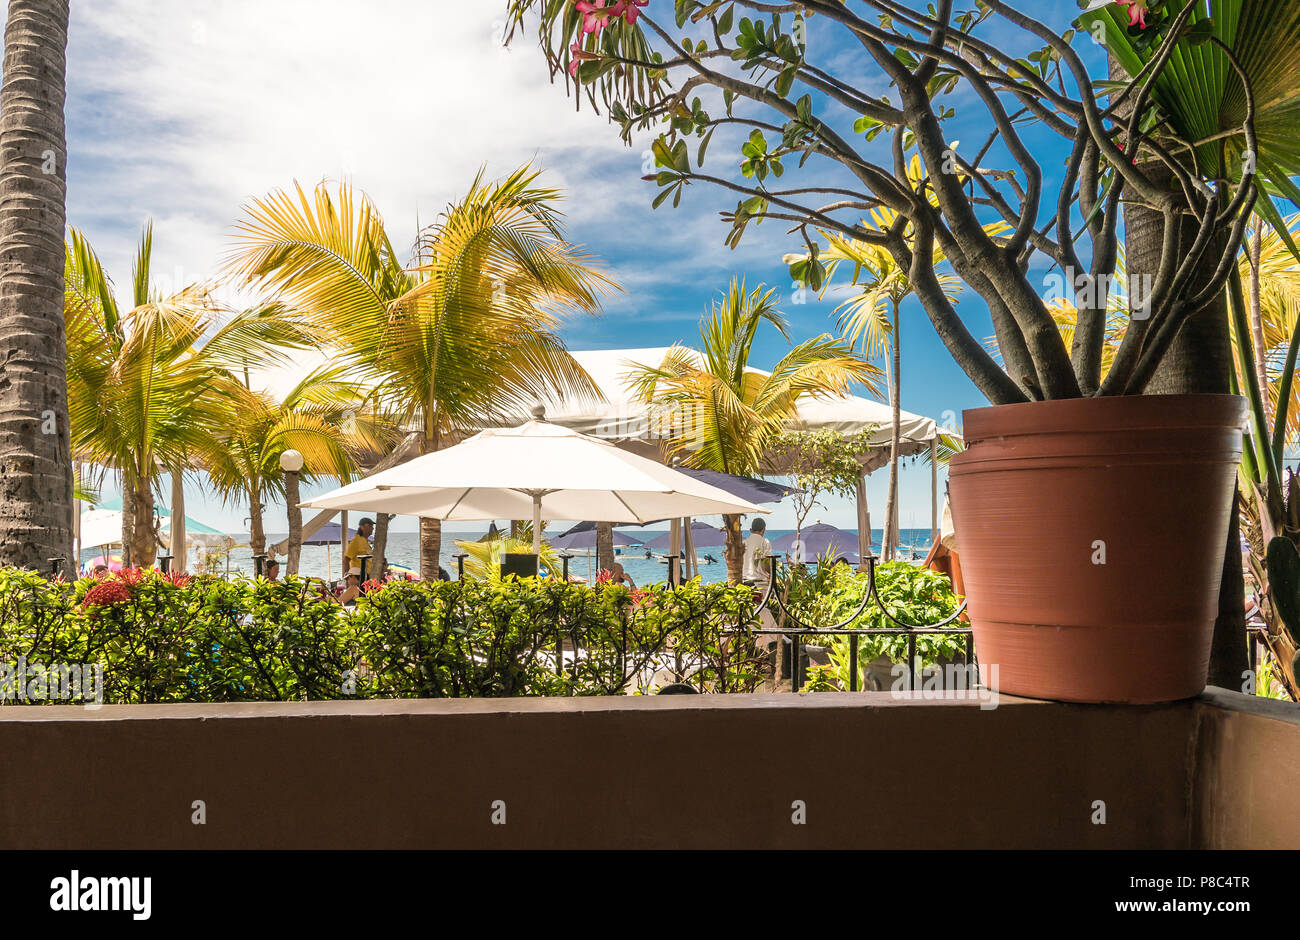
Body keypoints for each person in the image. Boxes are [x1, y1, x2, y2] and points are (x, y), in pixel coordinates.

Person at [742, 517, 771, 582]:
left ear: (751, 530)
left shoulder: (744, 542)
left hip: (744, 580)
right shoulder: (765, 542)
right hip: (760, 581)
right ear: (763, 530)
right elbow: (767, 564)